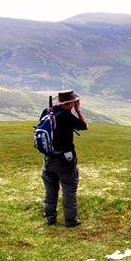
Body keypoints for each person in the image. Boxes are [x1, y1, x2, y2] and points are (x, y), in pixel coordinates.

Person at [41, 90, 88, 227]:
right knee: (69, 189)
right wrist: (78, 111)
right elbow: (84, 126)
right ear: (69, 104)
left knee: (50, 189)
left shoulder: (47, 112)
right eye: (74, 102)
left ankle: (50, 217)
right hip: (64, 159)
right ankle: (71, 220)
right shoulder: (66, 116)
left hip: (48, 158)